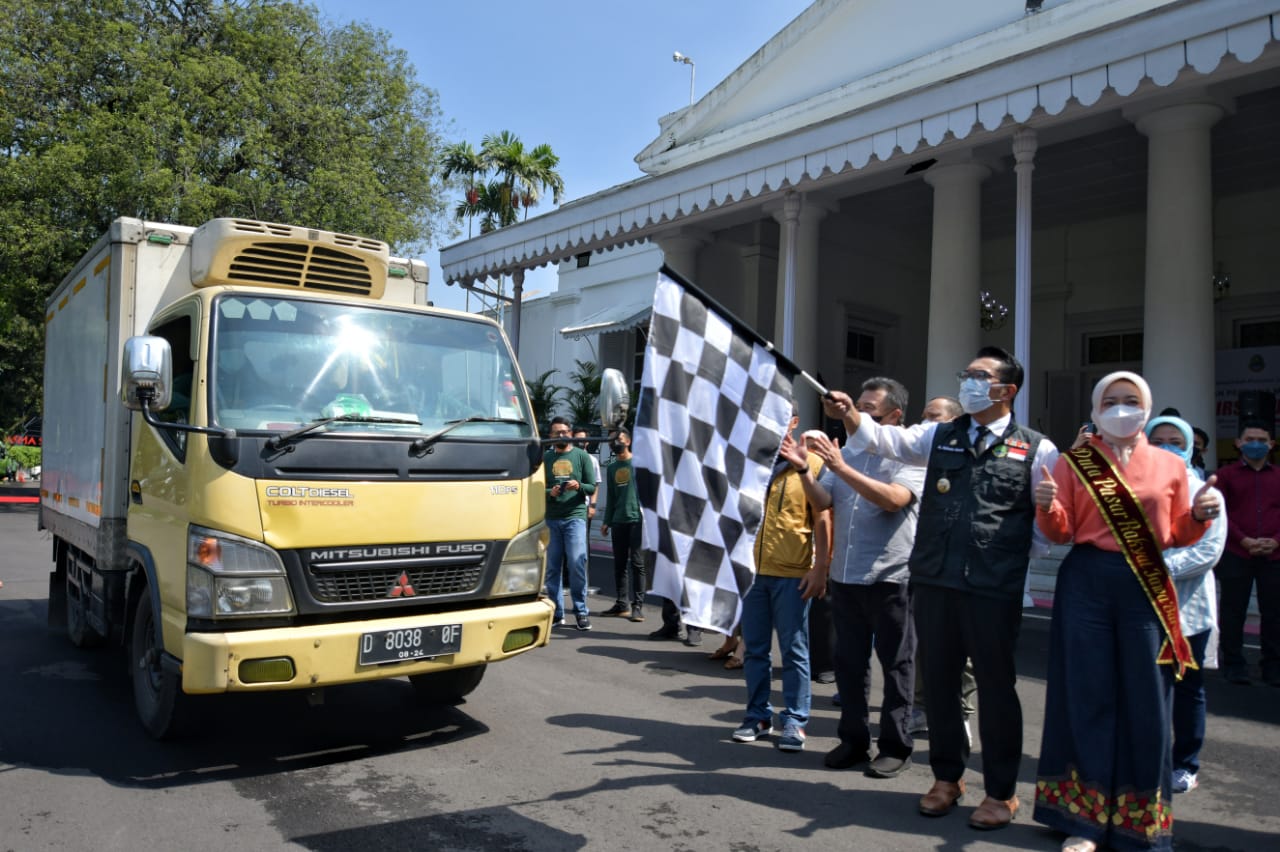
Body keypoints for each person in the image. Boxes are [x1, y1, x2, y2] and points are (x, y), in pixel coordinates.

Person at [822, 345, 1057, 830]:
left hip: (993, 589)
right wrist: (850, 415)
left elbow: (1043, 528)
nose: (967, 382)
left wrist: (1005, 562)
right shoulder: (939, 435)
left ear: (1006, 390)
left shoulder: (1037, 447)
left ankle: (1001, 792)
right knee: (942, 687)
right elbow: (887, 442)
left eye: (978, 376)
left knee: (995, 690)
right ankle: (947, 779)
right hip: (934, 581)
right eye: (965, 374)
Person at [1033, 372, 1219, 852]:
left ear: (1147, 406)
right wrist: (1046, 507)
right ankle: (1084, 822)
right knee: (1086, 694)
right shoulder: (1076, 463)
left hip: (1145, 584)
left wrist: (1199, 516)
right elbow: (1061, 532)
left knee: (1146, 699)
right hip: (1087, 582)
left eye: (1131, 400)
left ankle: (1142, 822)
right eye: (1110, 400)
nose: (1121, 408)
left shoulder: (1170, 465)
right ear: (1095, 410)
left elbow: (1177, 532)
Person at [787, 378, 925, 778]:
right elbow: (825, 501)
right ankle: (853, 739)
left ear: (895, 417)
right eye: (856, 407)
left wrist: (840, 467)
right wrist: (804, 472)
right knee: (849, 664)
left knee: (897, 664)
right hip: (847, 576)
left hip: (890, 576)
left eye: (869, 411)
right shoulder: (848, 450)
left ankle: (896, 745)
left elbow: (893, 500)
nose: (857, 416)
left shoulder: (909, 453)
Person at [731, 408, 832, 753]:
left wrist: (821, 568)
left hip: (792, 574)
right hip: (752, 574)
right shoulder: (748, 464)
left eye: (782, 416)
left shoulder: (813, 464)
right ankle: (757, 716)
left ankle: (795, 721)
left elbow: (822, 518)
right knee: (756, 650)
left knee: (794, 651)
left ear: (794, 422)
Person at [1145, 415, 1226, 795]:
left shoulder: (1205, 492)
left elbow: (1207, 552)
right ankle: (1148, 759)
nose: (1165, 446)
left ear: (1191, 446)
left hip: (1188, 610)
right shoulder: (1135, 488)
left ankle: (1185, 763)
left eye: (1175, 440)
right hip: (1142, 607)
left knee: (1189, 688)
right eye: (1157, 439)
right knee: (1145, 687)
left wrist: (1155, 567)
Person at [908, 396, 976, 747]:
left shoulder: (963, 461)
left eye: (932, 417)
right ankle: (920, 707)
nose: (923, 423)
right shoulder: (917, 459)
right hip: (924, 565)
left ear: (952, 422)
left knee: (962, 651)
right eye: (922, 416)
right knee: (923, 644)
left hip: (962, 569)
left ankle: (961, 713)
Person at [1213, 420, 1280, 686]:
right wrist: (1244, 541)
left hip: (1274, 556)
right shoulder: (1225, 475)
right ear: (1238, 443)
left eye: (1262, 440)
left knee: (1274, 613)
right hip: (1236, 553)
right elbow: (1220, 515)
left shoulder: (1278, 476)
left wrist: (1276, 541)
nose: (1256, 444)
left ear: (1271, 445)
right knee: (1233, 611)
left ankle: (1273, 667)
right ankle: (1233, 664)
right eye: (1250, 439)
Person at [544, 416, 597, 631]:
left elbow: (592, 487)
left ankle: (581, 611)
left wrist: (579, 486)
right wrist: (551, 491)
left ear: (570, 433)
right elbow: (538, 487)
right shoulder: (546, 458)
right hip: (552, 518)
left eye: (564, 432)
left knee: (576, 563)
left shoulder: (582, 456)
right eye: (557, 433)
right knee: (552, 568)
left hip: (575, 516)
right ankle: (557, 613)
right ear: (550, 436)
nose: (561, 436)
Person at [599, 429, 646, 622]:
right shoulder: (611, 468)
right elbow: (611, 497)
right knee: (619, 564)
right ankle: (621, 604)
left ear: (628, 440)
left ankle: (638, 606)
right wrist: (606, 521)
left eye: (617, 439)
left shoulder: (639, 463)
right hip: (618, 520)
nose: (614, 443)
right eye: (611, 440)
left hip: (637, 520)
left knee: (637, 563)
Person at [572, 426, 602, 533]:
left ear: (587, 442)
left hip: (584, 507)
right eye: (576, 439)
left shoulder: (592, 460)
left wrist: (592, 505)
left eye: (582, 439)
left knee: (584, 540)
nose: (579, 442)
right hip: (567, 507)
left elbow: (596, 484)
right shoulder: (567, 457)